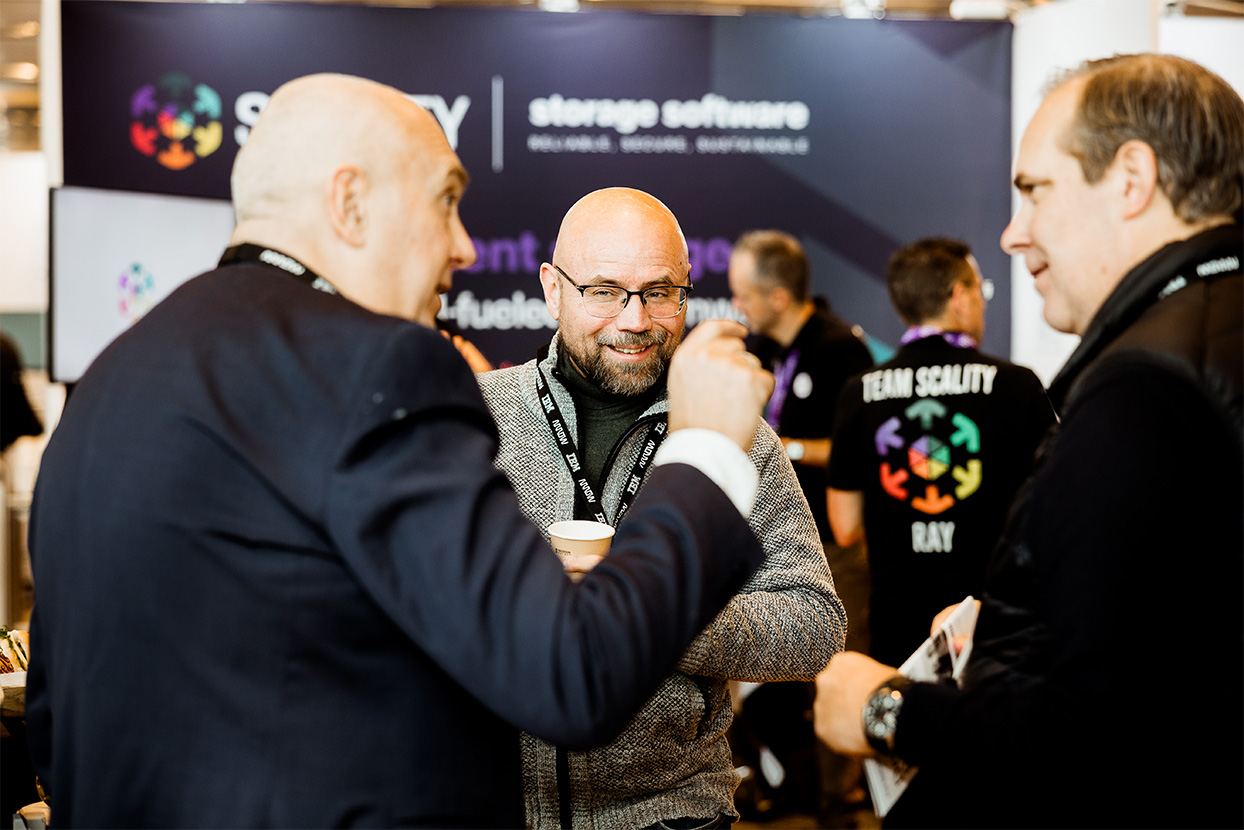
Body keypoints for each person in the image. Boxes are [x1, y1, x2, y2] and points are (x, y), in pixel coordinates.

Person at [24, 74, 780, 829]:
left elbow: (56, 720)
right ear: (349, 203)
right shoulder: (376, 369)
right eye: (446, 200)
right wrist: (707, 452)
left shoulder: (114, 376)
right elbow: (573, 674)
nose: (465, 247)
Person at [815, 53, 1242, 829]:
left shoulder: (1142, 389)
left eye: (1035, 190)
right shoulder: (1212, 334)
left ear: (1132, 179)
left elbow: (1097, 740)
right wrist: (1035, 619)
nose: (1014, 235)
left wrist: (883, 709)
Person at [476, 188, 846, 830]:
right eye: (604, 291)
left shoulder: (731, 430)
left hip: (672, 813)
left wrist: (647, 608)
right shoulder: (477, 416)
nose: (635, 320)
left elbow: (814, 625)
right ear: (552, 289)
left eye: (659, 292)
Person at [827, 237, 1054, 669]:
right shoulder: (1017, 386)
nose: (982, 303)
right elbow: (1057, 508)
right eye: (979, 290)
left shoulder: (859, 393)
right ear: (959, 297)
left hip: (898, 625)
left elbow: (845, 526)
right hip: (995, 622)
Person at [727, 230, 873, 824]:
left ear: (779, 297)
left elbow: (858, 450)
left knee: (837, 666)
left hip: (834, 544)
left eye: (743, 295)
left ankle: (841, 800)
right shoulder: (759, 349)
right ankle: (788, 783)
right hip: (765, 540)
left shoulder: (840, 351)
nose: (736, 306)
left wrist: (779, 447)